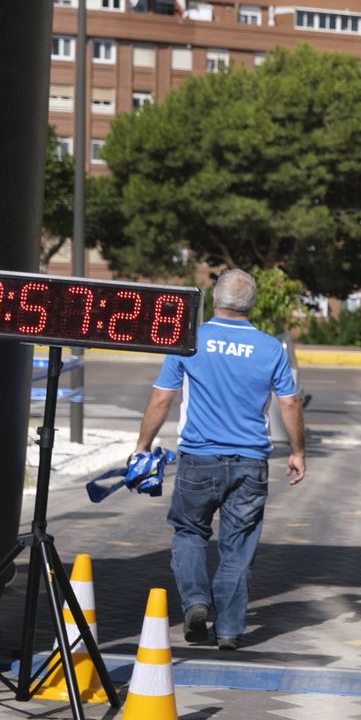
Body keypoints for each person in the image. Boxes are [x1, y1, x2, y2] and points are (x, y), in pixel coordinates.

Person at [133, 269, 306, 651]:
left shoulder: (189, 341)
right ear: (251, 304)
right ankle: (228, 630)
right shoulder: (270, 349)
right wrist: (297, 452)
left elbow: (162, 398)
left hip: (199, 459)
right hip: (250, 463)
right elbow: (290, 403)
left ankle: (196, 602)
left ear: (215, 299)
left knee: (189, 533)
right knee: (238, 546)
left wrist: (142, 447)